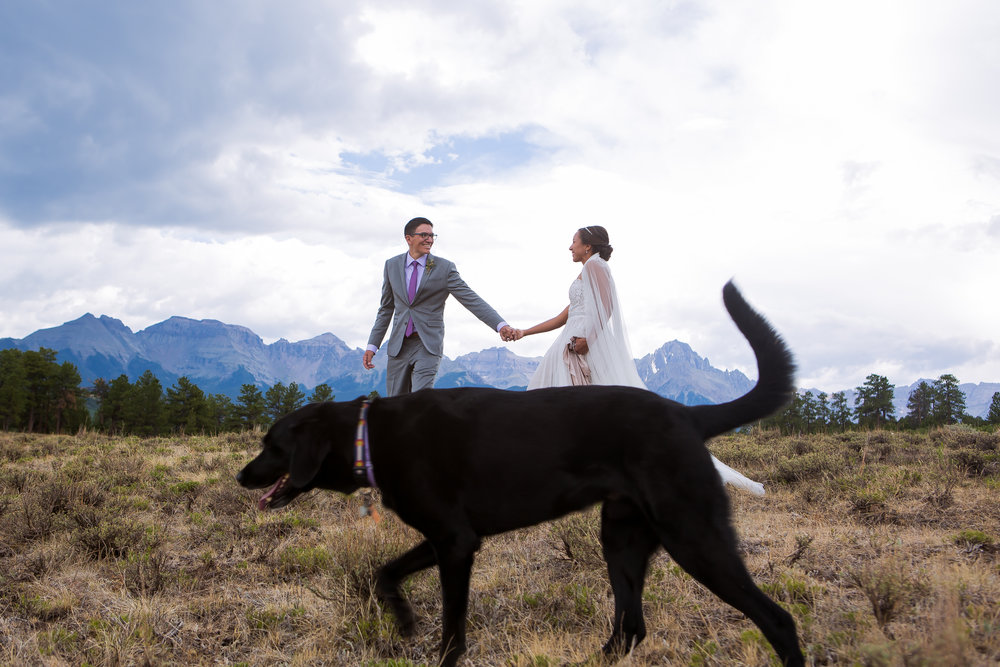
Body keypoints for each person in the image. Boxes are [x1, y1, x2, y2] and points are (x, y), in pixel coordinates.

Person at [512, 226, 765, 495]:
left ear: (588, 246)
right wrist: (525, 332)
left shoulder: (595, 267)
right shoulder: (586, 271)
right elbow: (564, 316)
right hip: (572, 338)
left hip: (584, 344)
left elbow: (606, 306)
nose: (570, 247)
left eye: (573, 242)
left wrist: (589, 340)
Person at [363, 217, 516, 396]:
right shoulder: (391, 265)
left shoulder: (444, 268)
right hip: (399, 347)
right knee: (396, 404)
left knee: (420, 402)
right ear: (408, 238)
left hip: (427, 345)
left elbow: (471, 299)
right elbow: (386, 309)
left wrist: (500, 325)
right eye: (424, 235)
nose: (429, 239)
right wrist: (372, 345)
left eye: (432, 235)